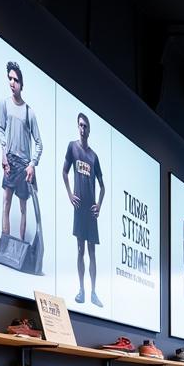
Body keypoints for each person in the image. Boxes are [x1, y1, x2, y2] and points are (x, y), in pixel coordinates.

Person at [62, 111, 106, 307]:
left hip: (90, 210)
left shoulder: (94, 156)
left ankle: (94, 292)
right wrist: (70, 194)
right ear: (77, 127)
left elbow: (102, 185)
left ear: (89, 129)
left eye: (85, 125)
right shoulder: (72, 147)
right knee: (80, 249)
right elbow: (64, 171)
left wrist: (99, 205)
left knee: (92, 251)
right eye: (80, 125)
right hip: (79, 209)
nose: (82, 128)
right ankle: (81, 290)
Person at [0, 60, 43, 244]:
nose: (11, 83)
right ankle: (5, 245)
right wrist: (3, 153)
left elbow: (39, 143)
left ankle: (21, 252)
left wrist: (32, 165)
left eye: (15, 79)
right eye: (9, 78)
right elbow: (0, 128)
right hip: (10, 161)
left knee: (23, 208)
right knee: (6, 203)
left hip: (24, 166)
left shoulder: (29, 112)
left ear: (21, 83)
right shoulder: (5, 104)